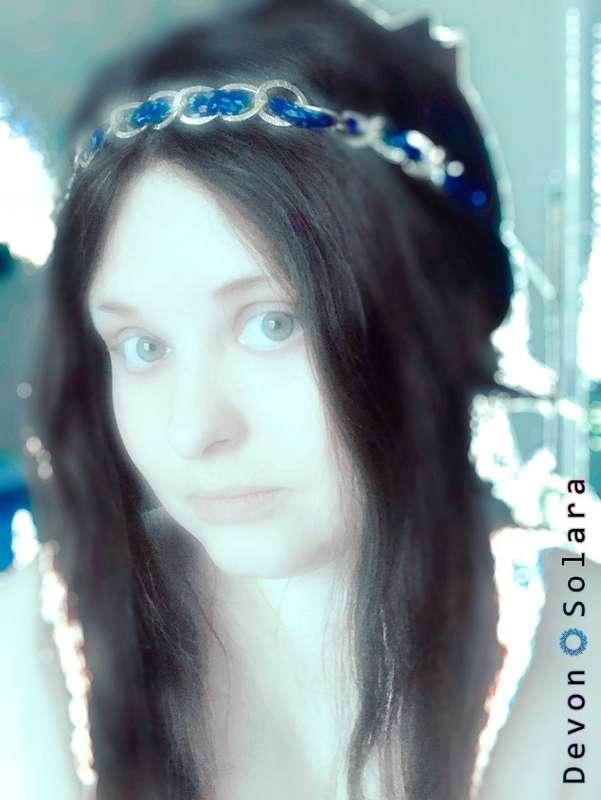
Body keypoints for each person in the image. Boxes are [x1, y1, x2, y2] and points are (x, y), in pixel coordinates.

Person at [4, 1, 601, 799]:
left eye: (271, 324)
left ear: (438, 314)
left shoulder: (577, 642)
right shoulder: (33, 650)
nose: (195, 429)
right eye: (142, 346)